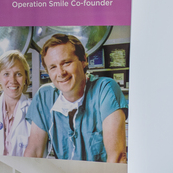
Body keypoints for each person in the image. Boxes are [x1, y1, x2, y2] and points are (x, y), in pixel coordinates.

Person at [24, 34, 128, 162]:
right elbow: (34, 152)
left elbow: (117, 157)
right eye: (53, 67)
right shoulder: (44, 97)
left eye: (66, 63)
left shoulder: (105, 89)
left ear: (84, 60)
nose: (61, 73)